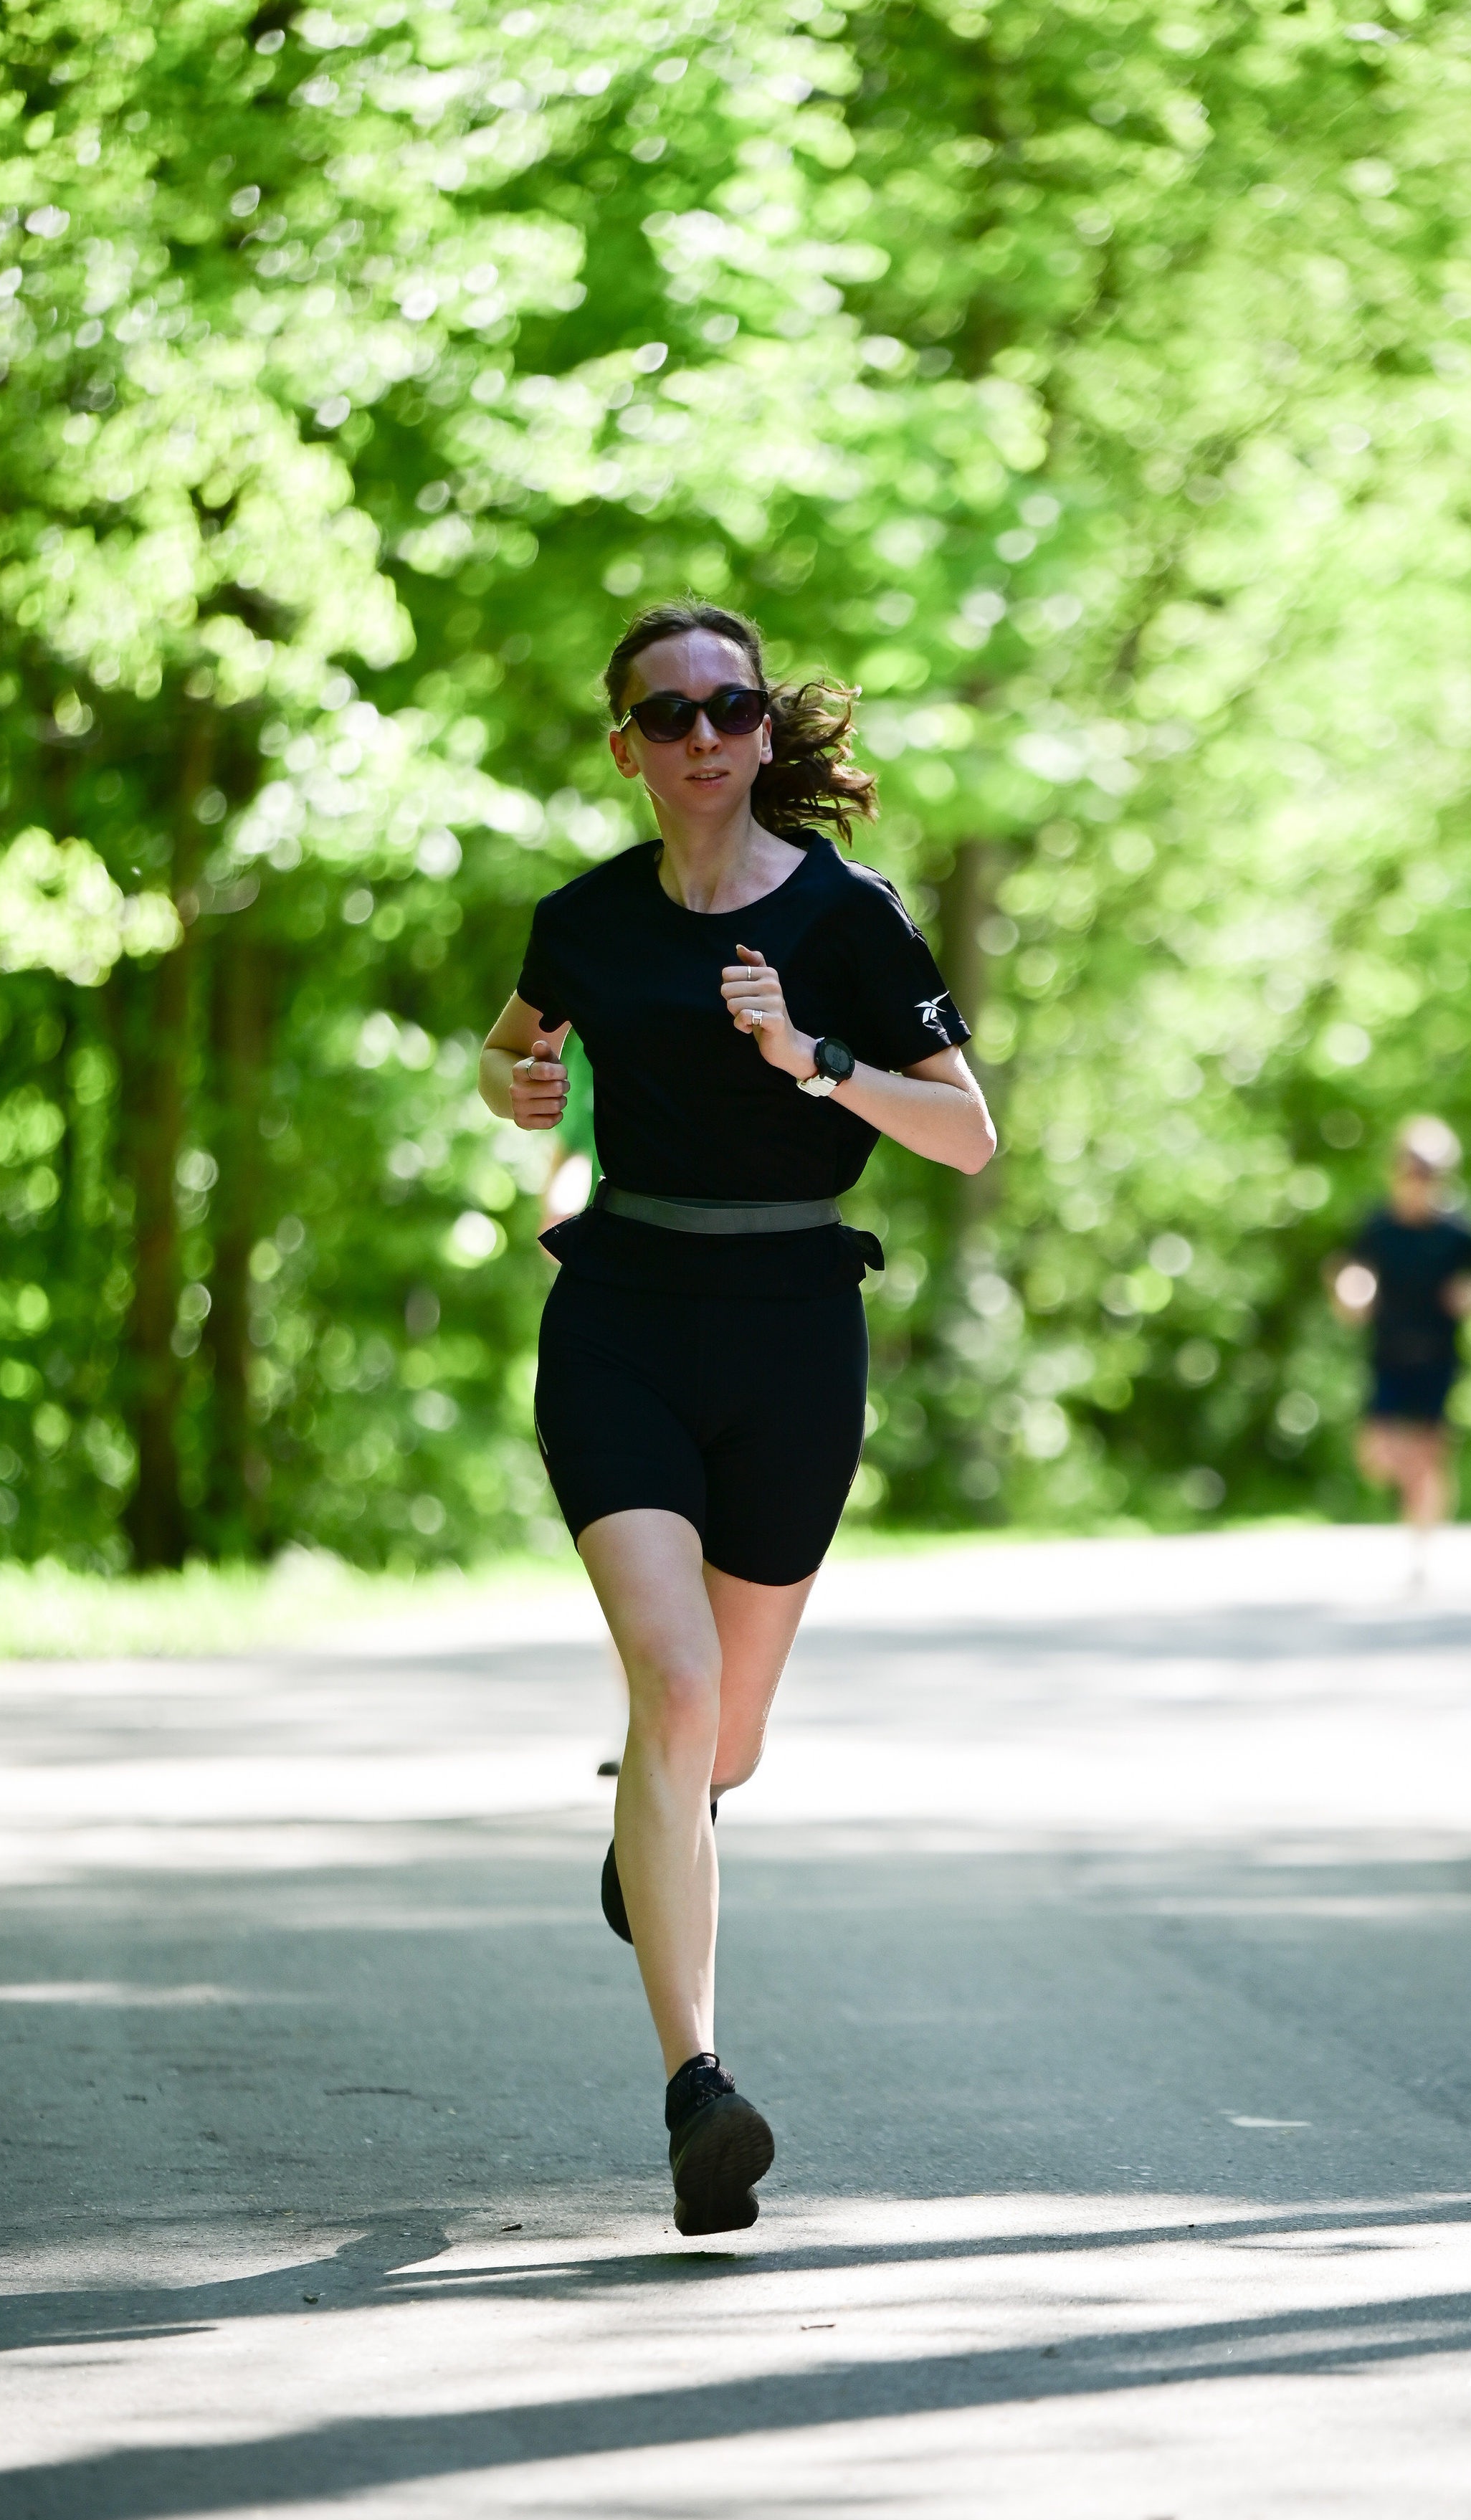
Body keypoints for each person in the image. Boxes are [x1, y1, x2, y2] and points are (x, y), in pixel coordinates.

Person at [478, 600, 994, 2238]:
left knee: (717, 1742)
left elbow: (967, 1136)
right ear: (626, 744)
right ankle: (699, 2084)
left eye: (729, 704)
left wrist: (809, 1053)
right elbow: (511, 1052)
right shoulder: (583, 919)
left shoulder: (848, 917)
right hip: (621, 1313)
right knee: (675, 1678)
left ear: (764, 732)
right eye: (666, 711)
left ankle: (663, 1810)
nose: (701, 733)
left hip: (790, 1338)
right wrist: (518, 1087)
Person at [1328, 1116, 1471, 1579]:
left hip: (1437, 1356)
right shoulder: (1379, 1225)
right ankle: (1411, 1500)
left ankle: (1422, 1549)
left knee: (1428, 1454)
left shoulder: (1456, 1230)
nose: (1418, 1180)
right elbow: (1349, 1266)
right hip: (1388, 1353)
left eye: (1429, 1172)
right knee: (1378, 1455)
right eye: (1410, 1168)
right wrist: (1353, 1291)